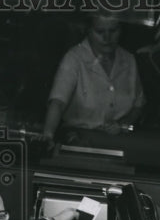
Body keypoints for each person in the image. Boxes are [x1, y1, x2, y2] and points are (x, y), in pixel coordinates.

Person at [42, 8, 145, 145]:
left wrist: (123, 124)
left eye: (113, 31)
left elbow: (139, 105)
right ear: (88, 31)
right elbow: (58, 102)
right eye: (100, 32)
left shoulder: (129, 60)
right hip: (78, 140)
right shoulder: (74, 59)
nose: (107, 38)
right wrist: (48, 135)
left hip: (121, 142)